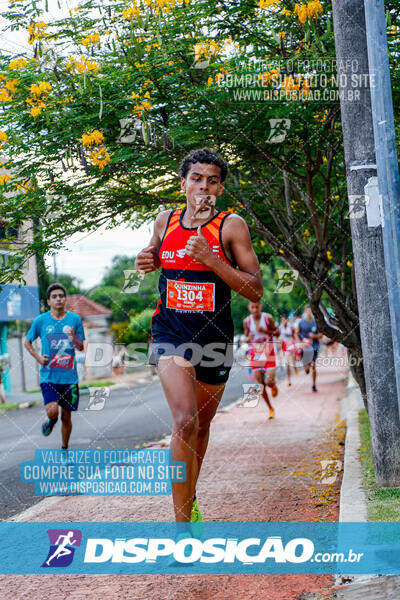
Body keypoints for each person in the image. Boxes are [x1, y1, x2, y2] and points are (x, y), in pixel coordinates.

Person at [135, 148, 263, 537]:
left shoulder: (231, 226)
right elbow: (157, 255)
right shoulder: (165, 220)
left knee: (201, 428)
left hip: (215, 339)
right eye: (196, 178)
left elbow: (254, 290)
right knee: (184, 420)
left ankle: (190, 503)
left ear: (220, 188)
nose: (203, 186)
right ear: (183, 183)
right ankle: (181, 529)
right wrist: (146, 258)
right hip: (171, 334)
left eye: (211, 180)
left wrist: (213, 260)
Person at [24, 283, 85, 449]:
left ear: (65, 299)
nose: (58, 299)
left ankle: (65, 448)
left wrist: (74, 339)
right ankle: (50, 420)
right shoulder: (41, 321)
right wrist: (38, 358)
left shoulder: (75, 320)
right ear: (49, 301)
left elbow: (81, 347)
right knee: (53, 412)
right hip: (49, 376)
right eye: (54, 297)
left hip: (69, 378)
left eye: (61, 296)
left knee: (67, 417)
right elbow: (27, 341)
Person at [243, 301, 279, 419]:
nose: (255, 309)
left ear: (260, 307)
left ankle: (273, 386)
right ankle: (270, 408)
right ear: (249, 308)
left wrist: (266, 331)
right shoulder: (247, 321)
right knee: (260, 385)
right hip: (256, 354)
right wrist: (249, 338)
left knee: (268, 381)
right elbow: (246, 338)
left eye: (256, 307)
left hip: (269, 352)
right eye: (252, 307)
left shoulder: (267, 318)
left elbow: (277, 333)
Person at [297, 305, 322, 392]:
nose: (308, 313)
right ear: (305, 312)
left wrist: (314, 336)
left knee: (313, 366)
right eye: (307, 311)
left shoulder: (316, 322)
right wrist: (300, 342)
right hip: (304, 348)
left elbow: (321, 335)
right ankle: (306, 368)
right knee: (307, 368)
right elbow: (297, 333)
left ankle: (314, 385)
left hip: (314, 346)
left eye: (310, 311)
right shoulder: (301, 323)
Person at [279, 315, 296, 386]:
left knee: (293, 361)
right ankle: (289, 380)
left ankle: (295, 367)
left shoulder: (290, 326)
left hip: (291, 344)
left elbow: (294, 334)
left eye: (285, 320)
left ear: (287, 320)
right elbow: (278, 337)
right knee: (287, 363)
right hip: (285, 346)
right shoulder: (280, 328)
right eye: (282, 320)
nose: (284, 322)